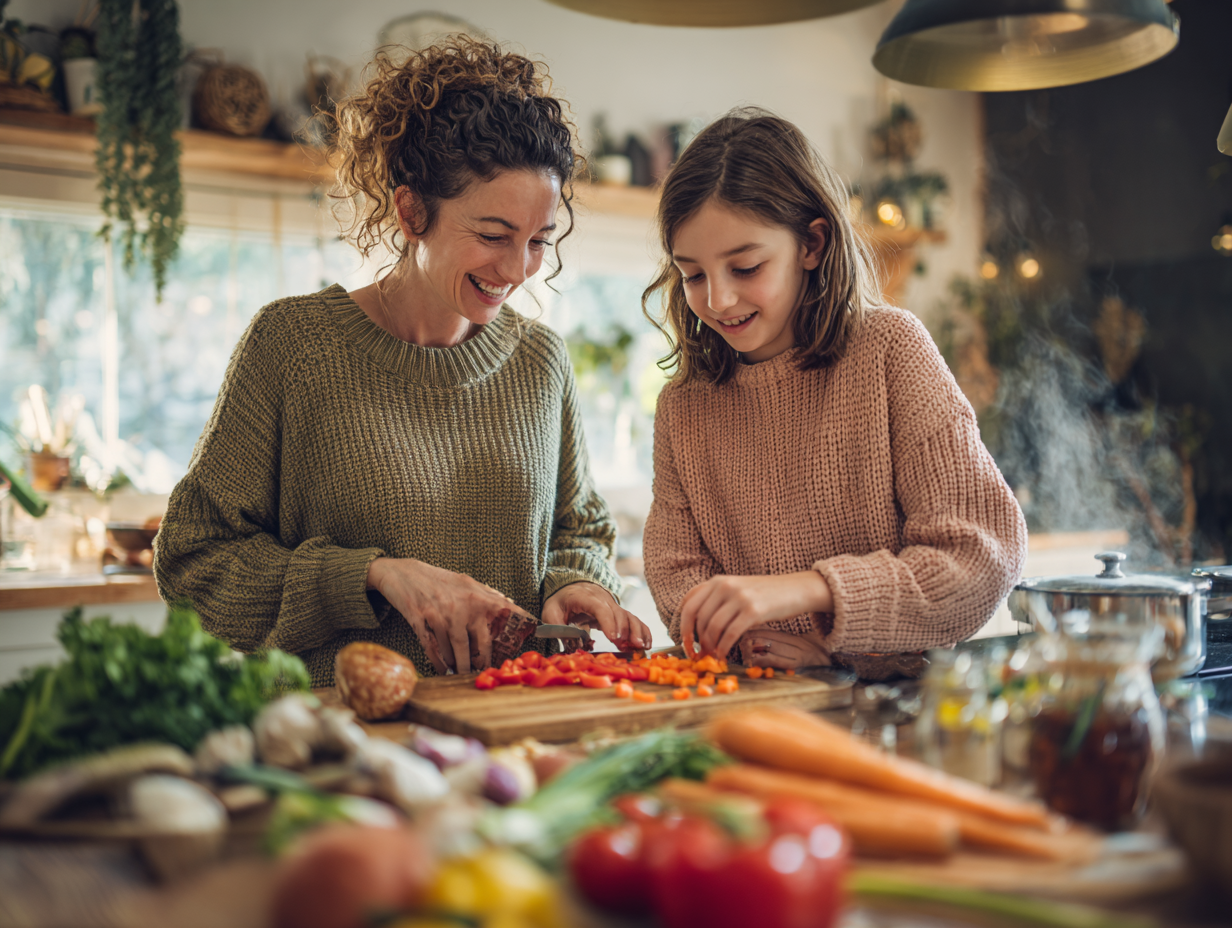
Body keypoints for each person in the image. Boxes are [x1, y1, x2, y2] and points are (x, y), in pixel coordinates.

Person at [154, 38, 650, 687]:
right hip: (344, 748)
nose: (517, 270)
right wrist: (372, 575)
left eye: (538, 241)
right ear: (411, 211)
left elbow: (578, 528)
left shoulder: (539, 361)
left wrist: (576, 583)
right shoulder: (294, 347)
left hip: (518, 730)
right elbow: (194, 565)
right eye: (494, 236)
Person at [641, 109, 1026, 669]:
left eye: (745, 267)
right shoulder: (683, 407)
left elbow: (979, 560)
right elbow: (677, 574)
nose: (718, 300)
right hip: (752, 704)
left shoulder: (890, 350)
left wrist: (813, 599)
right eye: (694, 275)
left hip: (902, 716)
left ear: (812, 245)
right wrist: (749, 645)